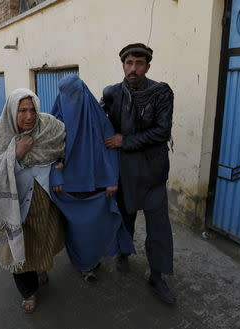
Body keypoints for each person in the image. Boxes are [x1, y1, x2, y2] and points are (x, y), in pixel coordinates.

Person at [101, 43, 176, 304]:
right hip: (125, 172)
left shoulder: (161, 93)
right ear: (122, 64)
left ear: (148, 66)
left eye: (139, 63)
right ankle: (124, 253)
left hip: (153, 172)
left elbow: (162, 131)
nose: (133, 69)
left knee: (159, 228)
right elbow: (100, 123)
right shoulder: (111, 93)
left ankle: (157, 276)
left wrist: (126, 141)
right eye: (129, 63)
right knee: (125, 218)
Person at [0, 88, 66, 313]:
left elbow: (63, 145)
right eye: (22, 110)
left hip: (41, 200)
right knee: (16, 246)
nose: (29, 116)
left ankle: (40, 268)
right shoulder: (0, 134)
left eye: (32, 110)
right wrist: (16, 154)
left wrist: (60, 163)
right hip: (13, 204)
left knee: (40, 240)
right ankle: (28, 291)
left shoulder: (48, 126)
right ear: (12, 111)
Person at [49, 75, 135, 282]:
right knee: (74, 230)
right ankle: (82, 264)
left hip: (95, 185)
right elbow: (47, 152)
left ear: (84, 93)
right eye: (65, 94)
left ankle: (93, 260)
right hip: (67, 187)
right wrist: (56, 175)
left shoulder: (98, 119)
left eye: (75, 94)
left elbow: (110, 150)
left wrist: (111, 180)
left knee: (94, 228)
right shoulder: (53, 123)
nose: (70, 100)